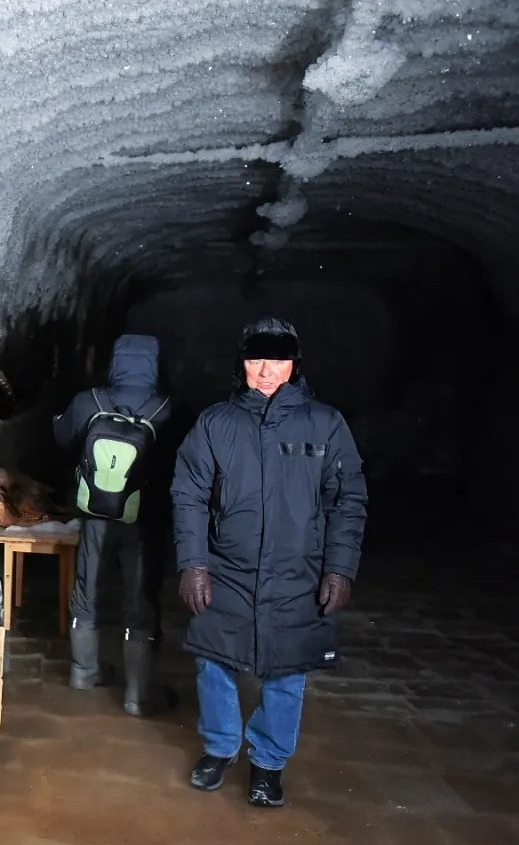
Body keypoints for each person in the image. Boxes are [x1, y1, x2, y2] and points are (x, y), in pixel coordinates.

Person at [170, 317, 368, 807]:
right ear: (242, 362)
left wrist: (340, 568)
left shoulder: (325, 423)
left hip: (298, 572)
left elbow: (349, 499)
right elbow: (188, 495)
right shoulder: (216, 423)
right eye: (256, 359)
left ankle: (268, 763)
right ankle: (219, 747)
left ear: (293, 364)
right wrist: (194, 564)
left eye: (276, 361)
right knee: (214, 662)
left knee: (287, 669)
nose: (265, 371)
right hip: (228, 567)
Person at [53, 334, 175, 716]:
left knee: (87, 587)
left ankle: (82, 671)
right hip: (144, 518)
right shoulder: (167, 408)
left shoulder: (91, 401)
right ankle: (137, 695)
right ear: (154, 364)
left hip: (95, 514)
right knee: (139, 596)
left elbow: (61, 438)